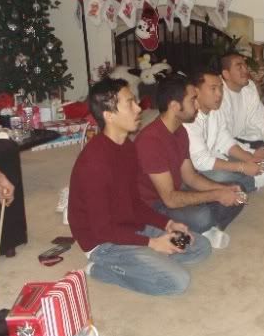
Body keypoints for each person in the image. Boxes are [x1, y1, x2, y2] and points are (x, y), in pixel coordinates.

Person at [68, 78, 211, 295]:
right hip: (103, 243)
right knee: (177, 282)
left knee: (200, 247)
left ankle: (145, 261)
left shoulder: (127, 147)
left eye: (135, 102)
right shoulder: (94, 162)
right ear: (109, 115)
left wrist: (167, 223)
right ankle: (100, 269)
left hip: (130, 226)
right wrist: (152, 243)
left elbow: (135, 202)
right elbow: (101, 230)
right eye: (130, 104)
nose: (138, 108)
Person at [135, 74, 245, 249]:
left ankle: (206, 231)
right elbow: (170, 199)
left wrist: (223, 190)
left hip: (177, 191)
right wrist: (216, 195)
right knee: (202, 216)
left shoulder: (180, 131)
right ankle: (202, 228)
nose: (197, 105)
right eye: (193, 100)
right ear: (174, 106)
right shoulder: (151, 141)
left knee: (238, 191)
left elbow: (190, 177)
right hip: (154, 206)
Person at [184, 66, 264, 194]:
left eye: (221, 88)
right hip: (192, 170)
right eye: (213, 89)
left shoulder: (215, 110)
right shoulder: (188, 118)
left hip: (211, 157)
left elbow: (224, 140)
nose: (219, 94)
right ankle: (252, 182)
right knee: (220, 176)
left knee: (235, 163)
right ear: (196, 92)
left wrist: (249, 157)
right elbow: (201, 161)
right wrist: (242, 167)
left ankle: (244, 179)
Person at [219, 52, 264, 152]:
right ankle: (261, 154)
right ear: (226, 74)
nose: (246, 70)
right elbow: (221, 136)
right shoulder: (218, 94)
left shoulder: (249, 87)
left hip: (243, 138)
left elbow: (258, 120)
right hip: (224, 142)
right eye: (239, 67)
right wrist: (249, 152)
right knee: (228, 151)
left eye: (245, 66)